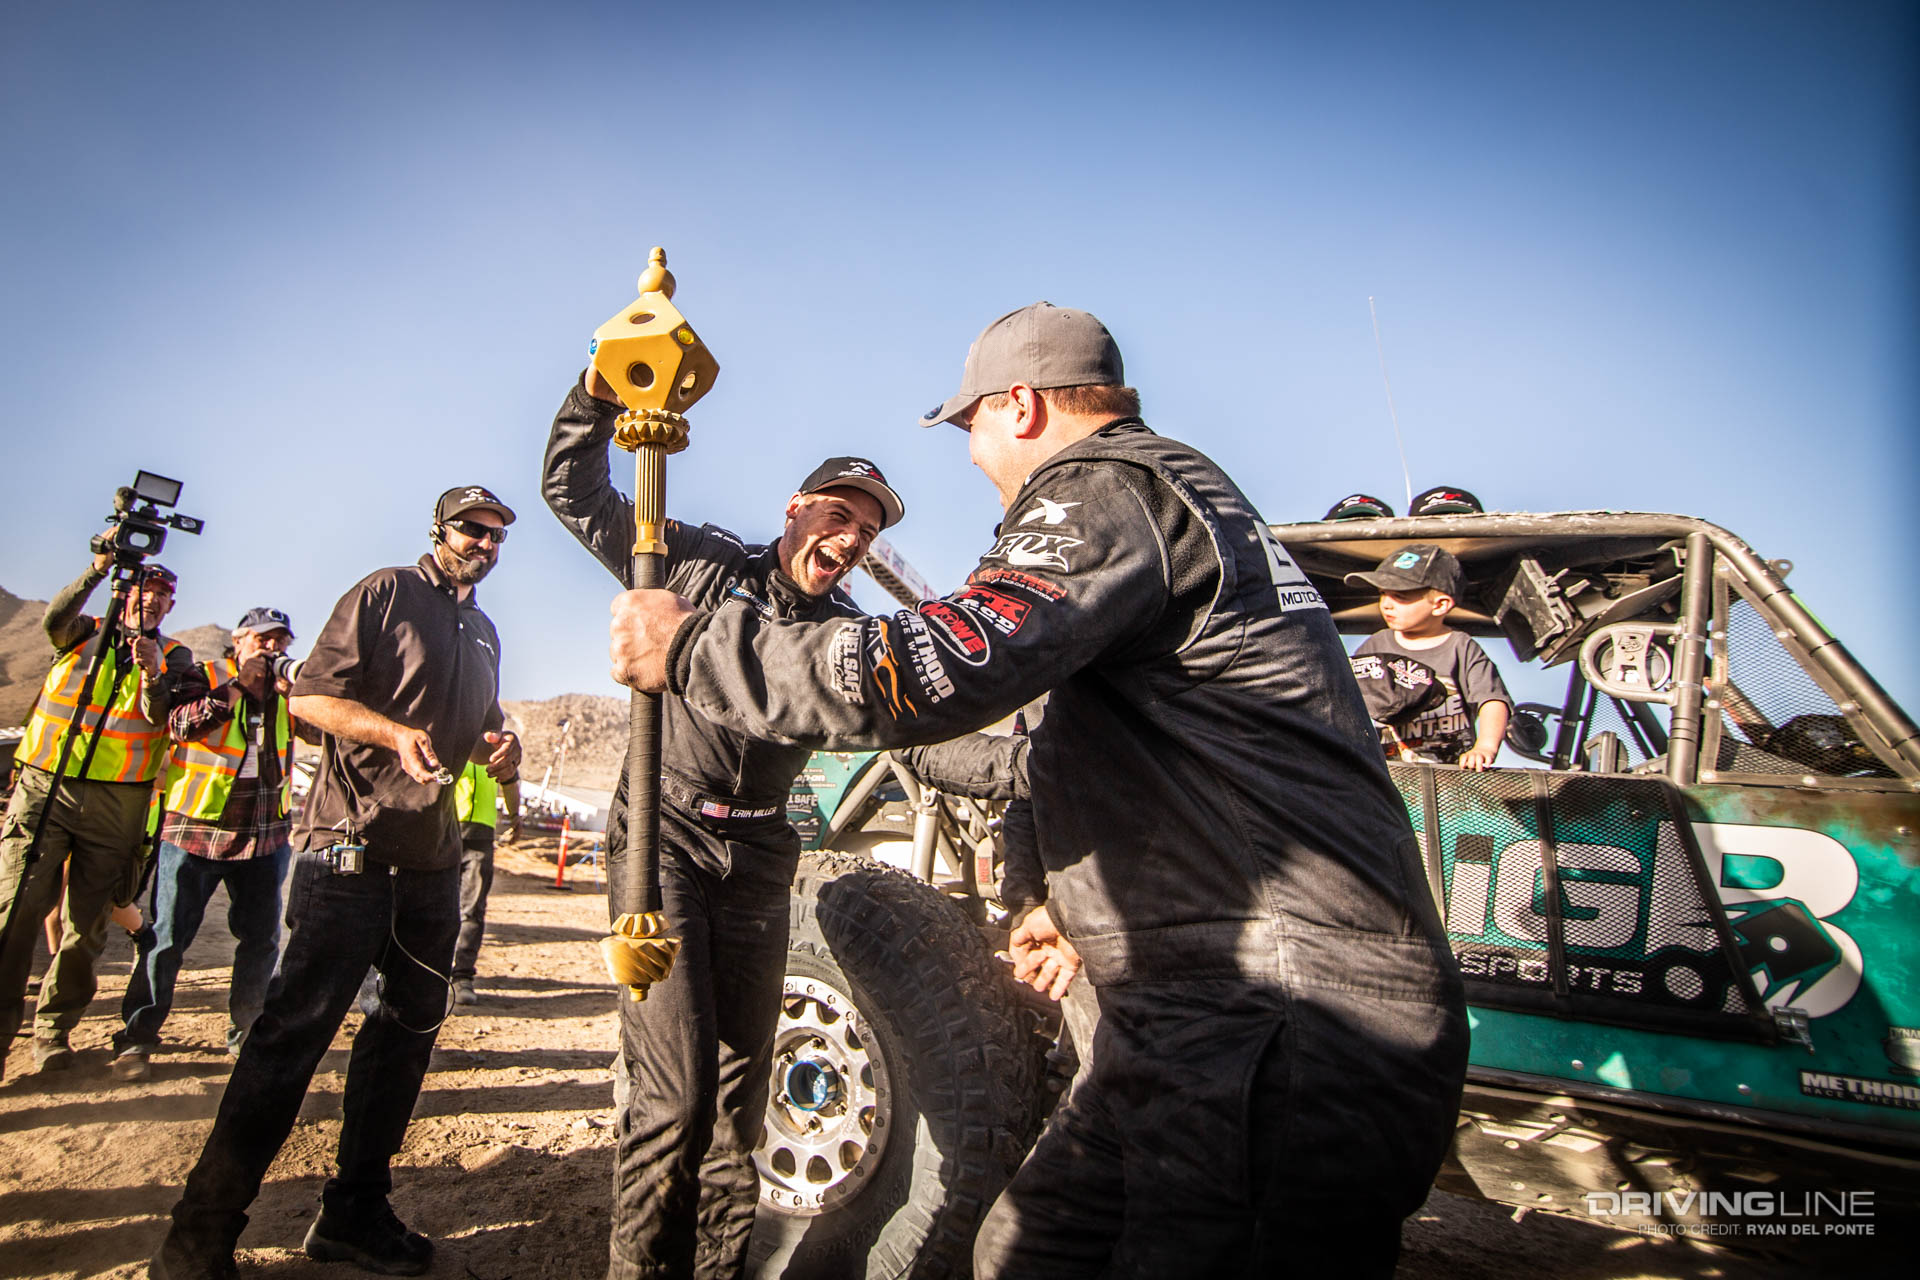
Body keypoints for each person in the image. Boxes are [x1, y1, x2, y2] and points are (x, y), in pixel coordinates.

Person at [607, 302, 1470, 1278]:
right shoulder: (1171, 500)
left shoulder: (1103, 484)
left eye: (967, 425)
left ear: (1017, 404)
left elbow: (943, 662)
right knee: (1031, 1244)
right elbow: (1111, 747)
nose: (972, 455)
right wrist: (1056, 895)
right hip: (1202, 1009)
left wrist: (693, 645)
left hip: (1280, 1018)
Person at [542, 365, 905, 1280]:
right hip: (663, 842)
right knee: (674, 1099)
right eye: (838, 515)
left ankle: (715, 1269)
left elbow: (915, 732)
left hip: (759, 857)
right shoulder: (696, 561)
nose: (850, 538)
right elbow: (573, 492)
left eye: (865, 530)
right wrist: (598, 394)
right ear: (796, 508)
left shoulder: (845, 635)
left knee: (742, 1100)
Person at [153, 487, 522, 1279]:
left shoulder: (485, 632)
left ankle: (354, 1212)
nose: (485, 544)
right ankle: (199, 1236)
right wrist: (390, 732)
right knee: (292, 1039)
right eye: (472, 529)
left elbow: (485, 723)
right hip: (347, 852)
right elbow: (311, 694)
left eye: (496, 536)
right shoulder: (386, 592)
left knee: (404, 1038)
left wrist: (503, 745)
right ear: (439, 529)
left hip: (431, 866)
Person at [0, 553, 202, 1081]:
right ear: (124, 593)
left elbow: (166, 719)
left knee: (84, 926)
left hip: (119, 801)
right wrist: (95, 571)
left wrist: (153, 671)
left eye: (162, 593)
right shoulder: (84, 631)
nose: (152, 598)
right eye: (143, 589)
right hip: (47, 786)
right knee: (15, 913)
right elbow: (53, 621)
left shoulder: (178, 657)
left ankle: (52, 1033)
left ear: (171, 605)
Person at [110, 607, 302, 1082]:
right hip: (196, 830)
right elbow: (181, 725)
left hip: (263, 835)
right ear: (239, 641)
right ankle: (136, 1039)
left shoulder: (285, 692)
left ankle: (246, 1036)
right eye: (263, 640)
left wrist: (298, 697)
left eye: (280, 641)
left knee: (260, 941)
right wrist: (239, 686)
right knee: (167, 940)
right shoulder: (204, 674)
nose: (272, 649)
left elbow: (320, 733)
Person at [1348, 543, 1512, 770]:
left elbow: (1492, 700)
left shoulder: (1460, 647)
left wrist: (1484, 747)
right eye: (1382, 594)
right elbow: (1347, 702)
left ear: (1440, 605)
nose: (1386, 604)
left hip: (1452, 780)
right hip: (1390, 779)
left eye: (1399, 596)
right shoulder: (1374, 646)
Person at [449, 757, 520, 1005]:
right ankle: (431, 974)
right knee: (436, 906)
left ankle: (462, 976)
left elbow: (510, 779)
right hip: (444, 830)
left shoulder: (495, 746)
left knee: (472, 909)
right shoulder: (454, 730)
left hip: (480, 837)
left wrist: (514, 817)